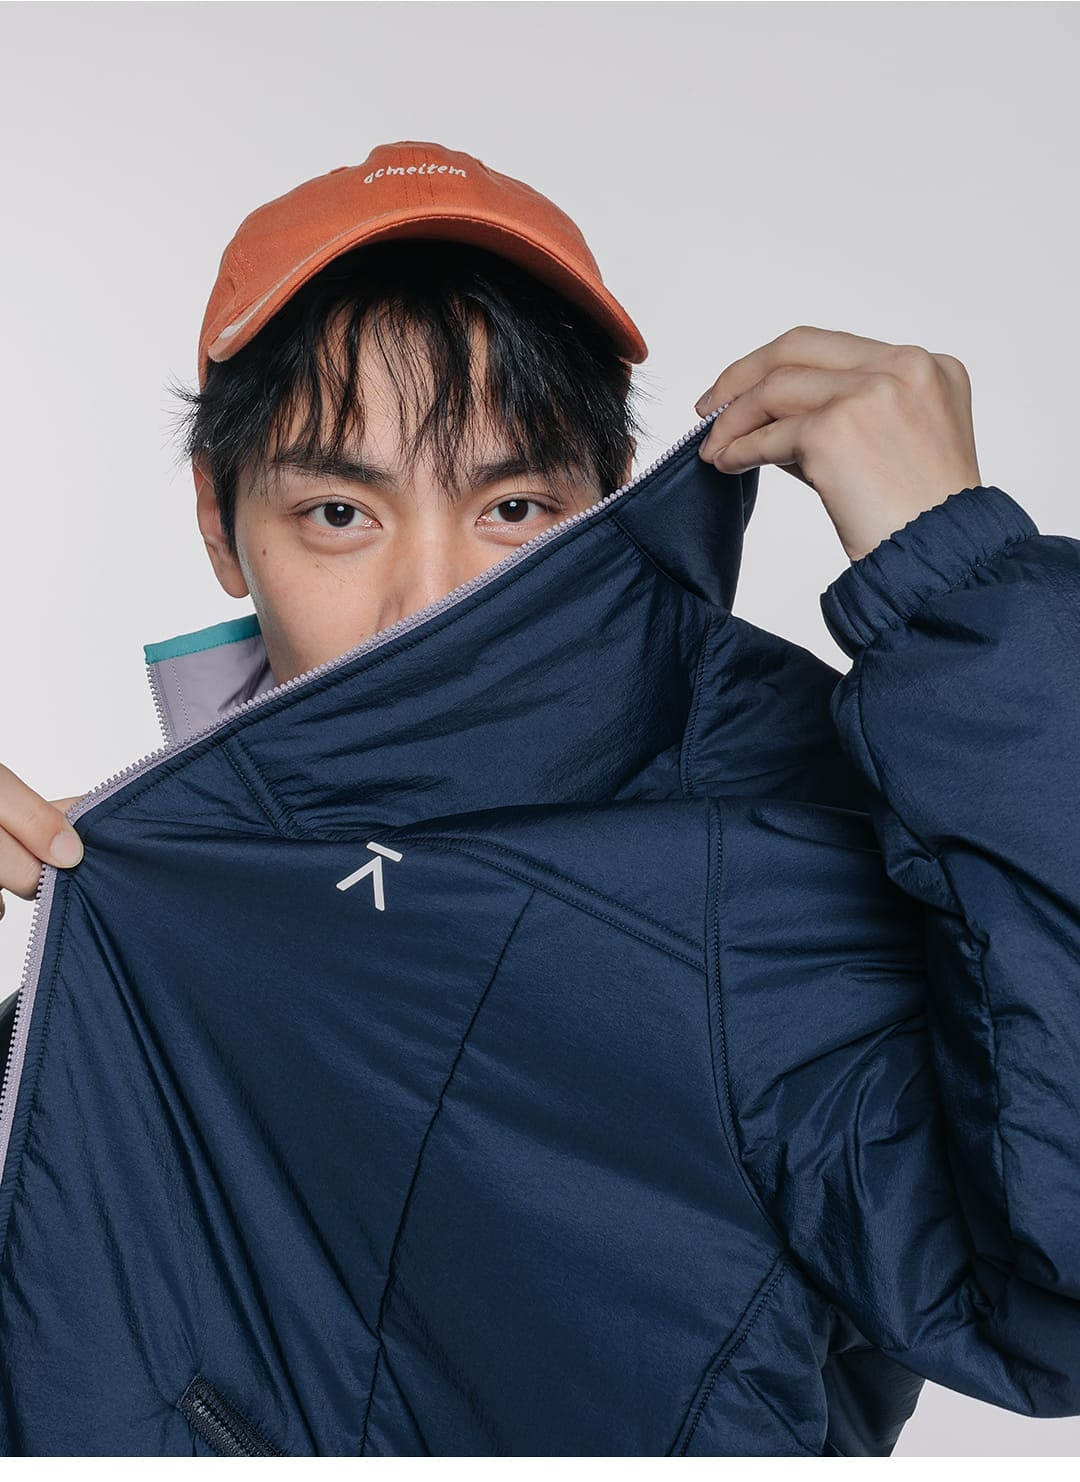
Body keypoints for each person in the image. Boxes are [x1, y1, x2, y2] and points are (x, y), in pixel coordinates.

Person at [0, 140, 1077, 1457]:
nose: (432, 600)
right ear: (221, 525)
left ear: (612, 507)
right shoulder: (144, 927)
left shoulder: (747, 867)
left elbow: (1052, 1296)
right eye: (339, 512)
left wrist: (964, 597)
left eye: (513, 505)